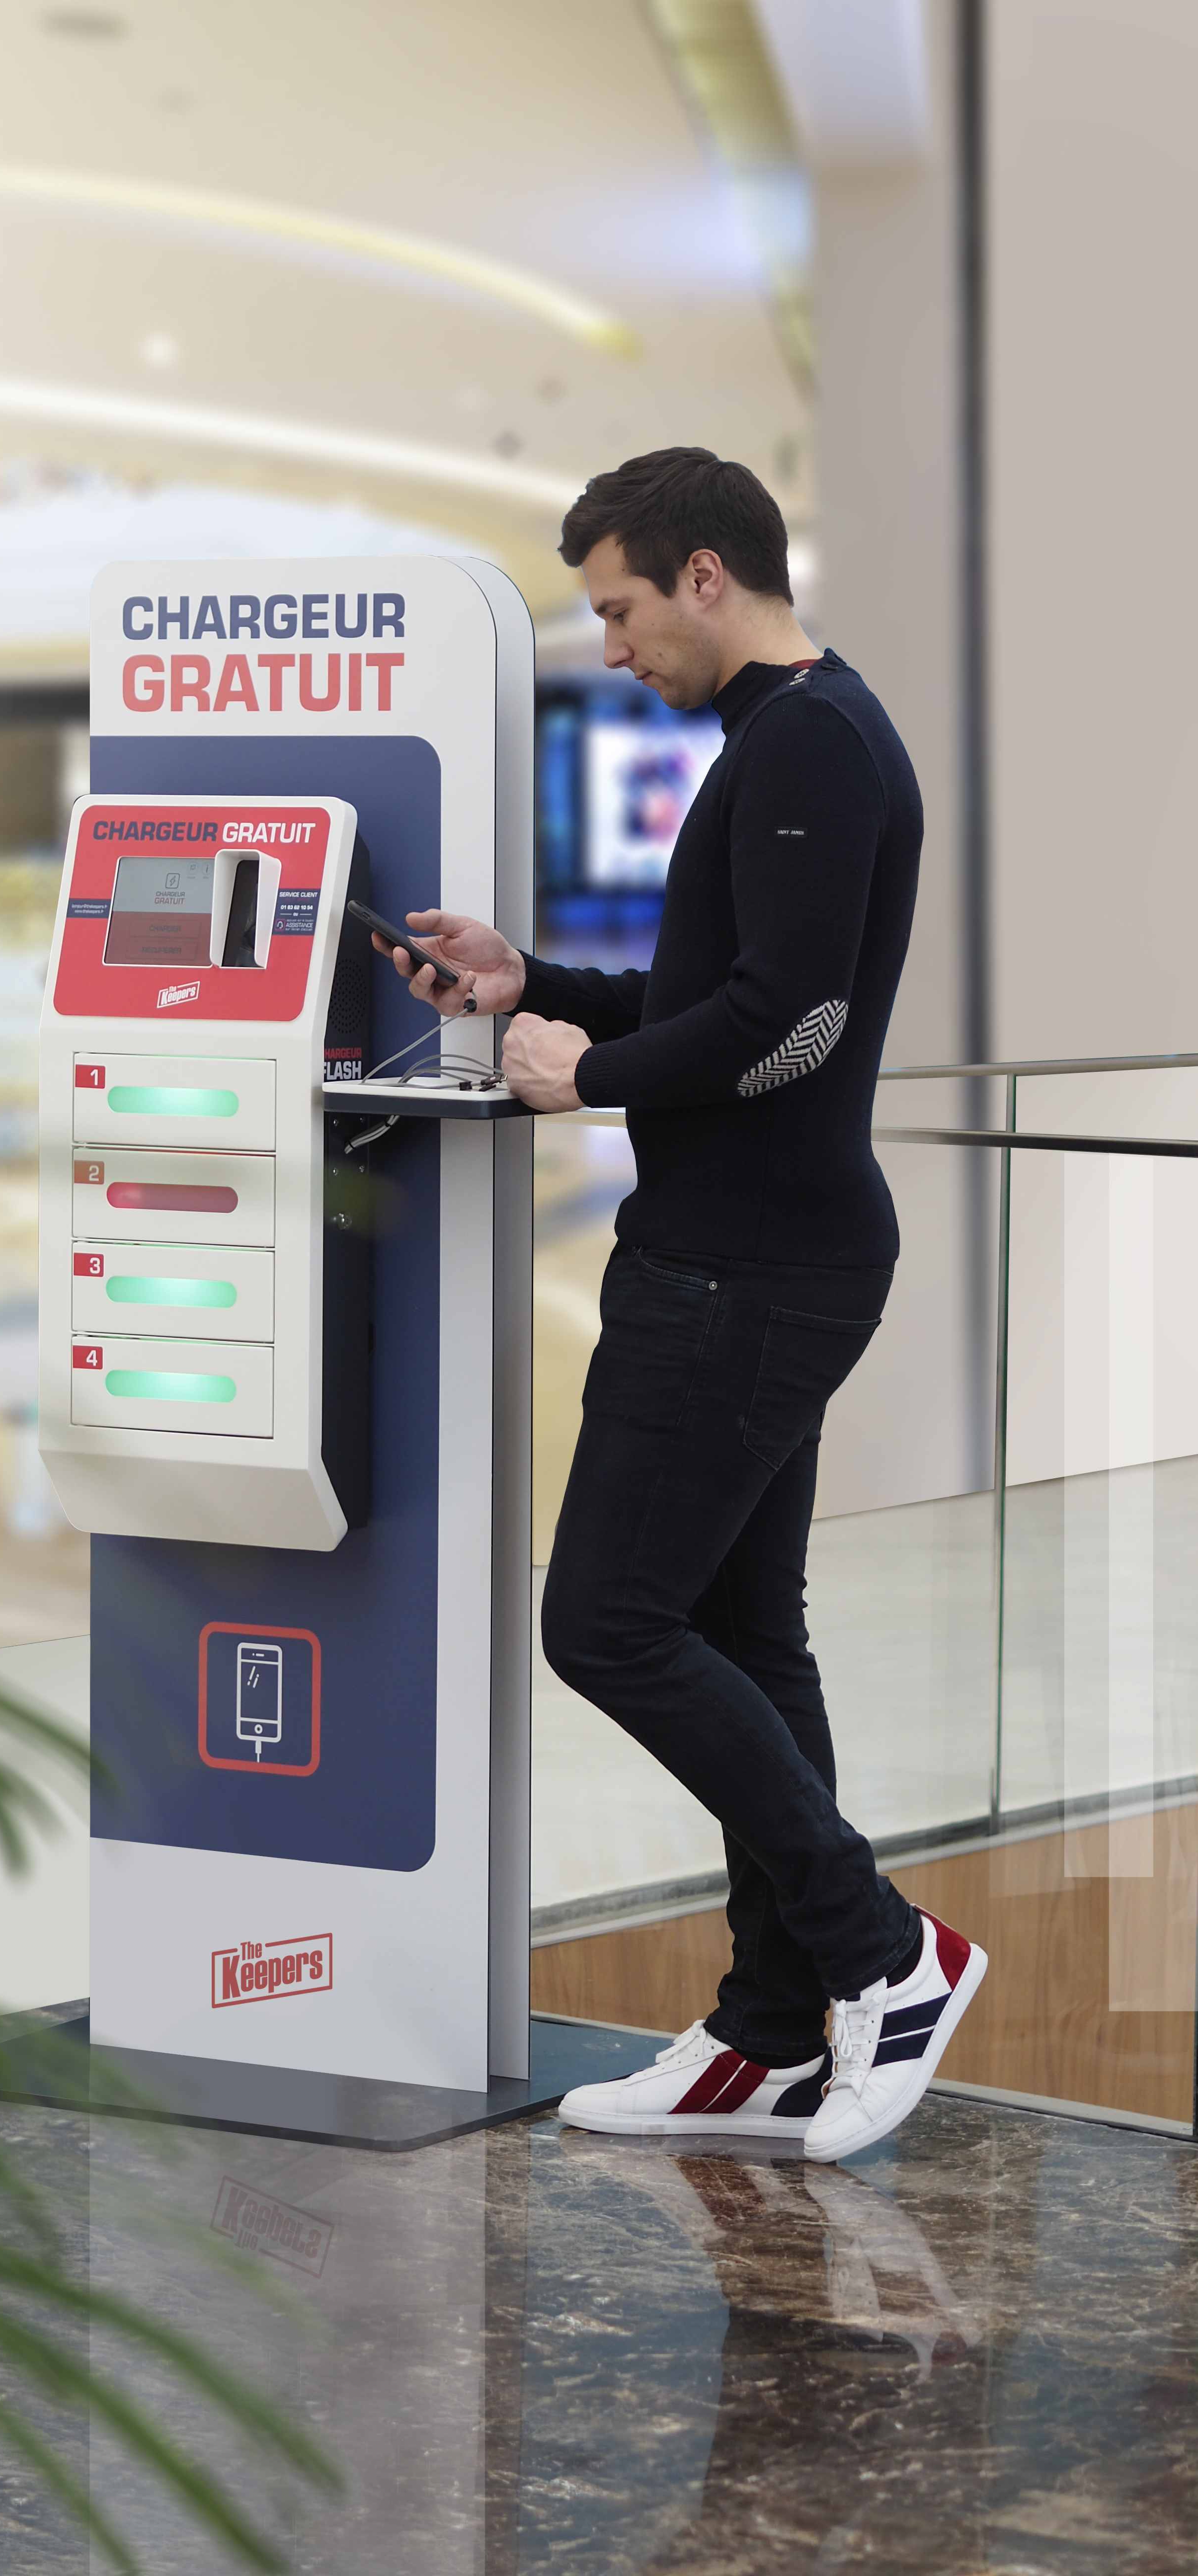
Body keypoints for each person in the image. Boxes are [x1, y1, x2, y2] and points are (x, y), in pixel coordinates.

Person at [377, 448, 985, 2160]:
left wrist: (588, 1077)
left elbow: (787, 1026)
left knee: (610, 1625)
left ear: (709, 574)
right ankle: (774, 2029)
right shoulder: (795, 737)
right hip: (751, 1248)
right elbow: (728, 992)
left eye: (626, 609)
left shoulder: (809, 745)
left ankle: (888, 1954)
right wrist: (532, 987)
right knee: (741, 1635)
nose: (617, 646)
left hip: (749, 1269)